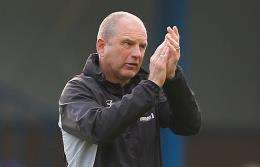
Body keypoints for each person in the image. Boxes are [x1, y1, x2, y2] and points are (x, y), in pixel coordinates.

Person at [58, 11, 201, 167]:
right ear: (101, 46)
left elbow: (189, 125)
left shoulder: (147, 87)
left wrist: (173, 78)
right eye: (127, 43)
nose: (137, 54)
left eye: (142, 46)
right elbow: (100, 130)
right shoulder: (77, 90)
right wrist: (151, 86)